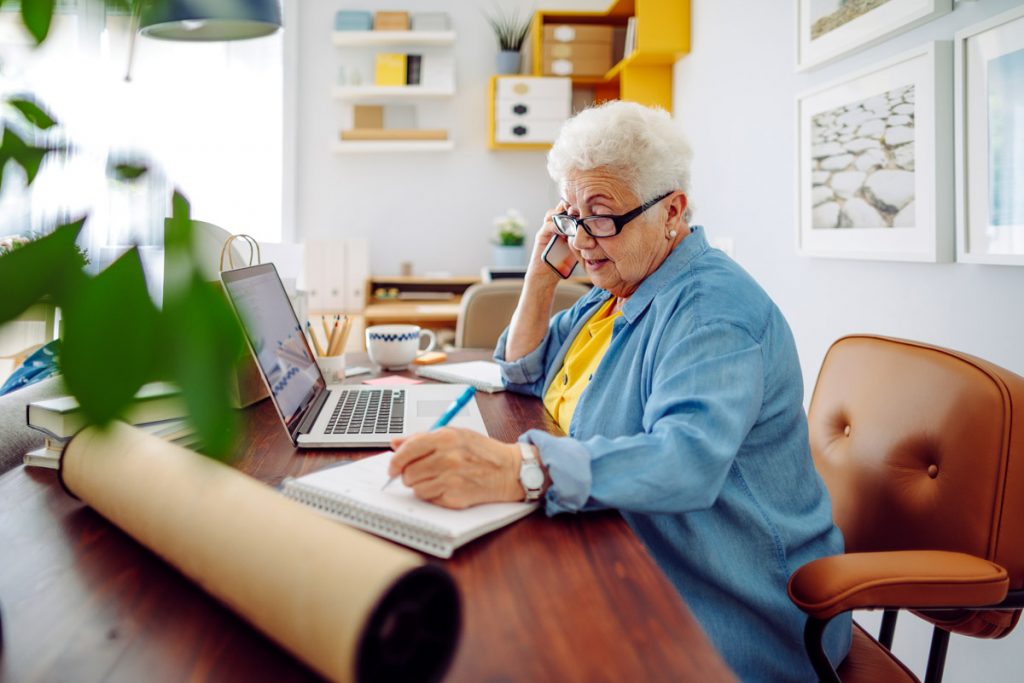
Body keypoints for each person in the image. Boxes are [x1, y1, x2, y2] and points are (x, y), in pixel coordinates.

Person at [388, 101, 851, 680]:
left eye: (600, 215)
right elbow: (522, 369)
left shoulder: (714, 311)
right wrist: (539, 275)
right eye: (570, 215)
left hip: (727, 600)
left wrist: (521, 470)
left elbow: (686, 461)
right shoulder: (617, 287)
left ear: (672, 212)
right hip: (623, 548)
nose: (581, 240)